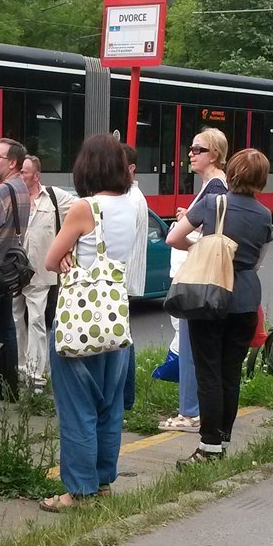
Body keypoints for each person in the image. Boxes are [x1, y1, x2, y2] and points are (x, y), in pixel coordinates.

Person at [41, 134, 142, 511]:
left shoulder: (85, 207)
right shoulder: (132, 205)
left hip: (79, 321)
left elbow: (51, 260)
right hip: (115, 317)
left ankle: (78, 490)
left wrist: (67, 255)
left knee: (77, 406)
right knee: (109, 406)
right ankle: (101, 483)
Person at [166, 149, 273, 465]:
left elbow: (174, 238)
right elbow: (258, 262)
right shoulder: (265, 214)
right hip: (246, 300)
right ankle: (223, 440)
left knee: (208, 372)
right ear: (262, 179)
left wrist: (200, 248)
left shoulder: (213, 203)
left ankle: (208, 446)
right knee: (230, 373)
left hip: (211, 296)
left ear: (233, 172)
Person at [159, 128, 228, 434]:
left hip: (197, 276)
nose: (191, 154)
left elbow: (195, 237)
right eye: (191, 148)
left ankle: (190, 412)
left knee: (190, 346)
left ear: (214, 154)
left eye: (198, 149)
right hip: (203, 275)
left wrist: (193, 241)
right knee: (197, 345)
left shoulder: (215, 187)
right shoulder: (213, 186)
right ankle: (197, 410)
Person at [13, 154, 72, 389]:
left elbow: (82, 214)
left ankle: (36, 376)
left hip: (40, 271)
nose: (20, 176)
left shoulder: (54, 197)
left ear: (36, 176)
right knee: (15, 319)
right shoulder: (12, 197)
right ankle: (19, 371)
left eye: (24, 172)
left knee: (36, 320)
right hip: (13, 271)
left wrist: (66, 249)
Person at [0, 137, 30, 397]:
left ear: (12, 163)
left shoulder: (2, 192)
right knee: (7, 326)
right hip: (9, 268)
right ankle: (10, 387)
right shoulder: (22, 187)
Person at [121, 144, 151, 414]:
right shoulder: (132, 196)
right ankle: (126, 397)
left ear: (131, 168)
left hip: (123, 276)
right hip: (127, 275)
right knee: (124, 336)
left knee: (122, 339)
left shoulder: (130, 198)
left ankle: (126, 398)